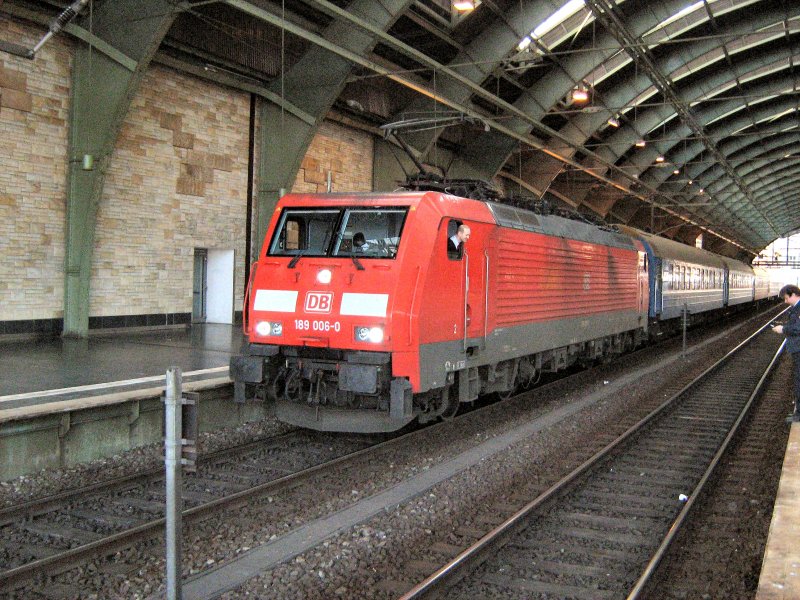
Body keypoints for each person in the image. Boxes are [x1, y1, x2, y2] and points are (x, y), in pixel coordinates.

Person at [772, 284, 800, 422]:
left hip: (799, 349)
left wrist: (783, 329)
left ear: (793, 294)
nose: (785, 301)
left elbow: (798, 328)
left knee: (799, 379)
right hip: (797, 348)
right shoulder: (796, 308)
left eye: (786, 298)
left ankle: (799, 414)